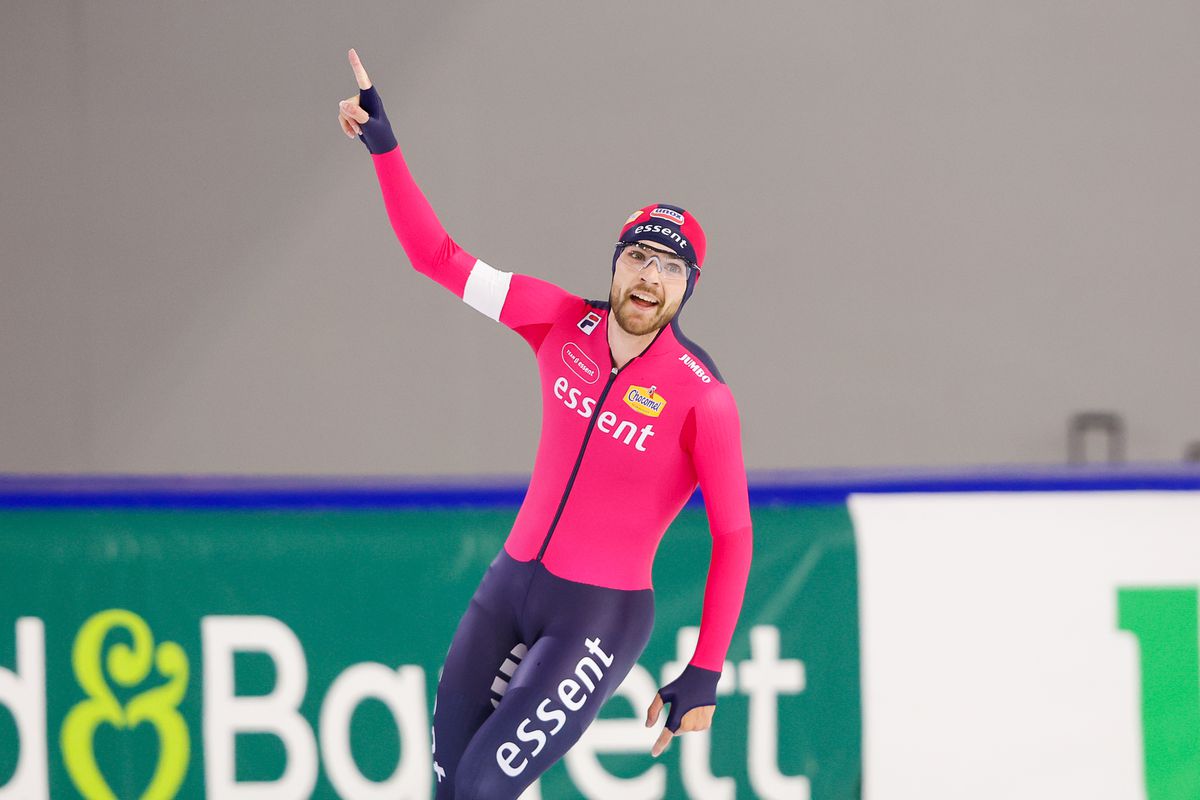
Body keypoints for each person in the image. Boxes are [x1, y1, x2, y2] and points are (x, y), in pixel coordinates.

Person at [337, 48, 753, 799]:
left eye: (670, 268)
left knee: (481, 788)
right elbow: (435, 256)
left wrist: (706, 668)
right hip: (508, 588)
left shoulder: (702, 398)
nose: (649, 279)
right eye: (639, 258)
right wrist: (386, 150)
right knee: (449, 789)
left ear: (690, 286)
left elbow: (734, 536)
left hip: (598, 616)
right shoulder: (558, 321)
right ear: (616, 262)